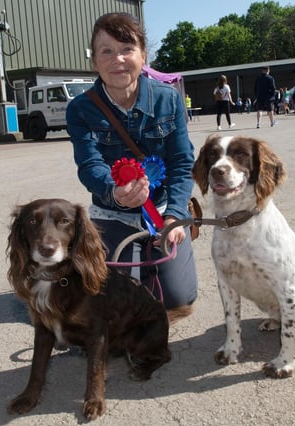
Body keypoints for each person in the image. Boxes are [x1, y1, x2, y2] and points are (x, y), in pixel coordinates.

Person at [66, 12, 198, 323]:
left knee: (179, 298)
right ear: (95, 62)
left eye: (127, 49)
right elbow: (89, 165)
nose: (118, 60)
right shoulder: (80, 109)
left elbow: (181, 161)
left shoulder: (169, 100)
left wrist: (176, 216)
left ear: (143, 55)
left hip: (163, 210)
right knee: (107, 301)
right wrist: (116, 193)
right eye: (106, 51)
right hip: (112, 212)